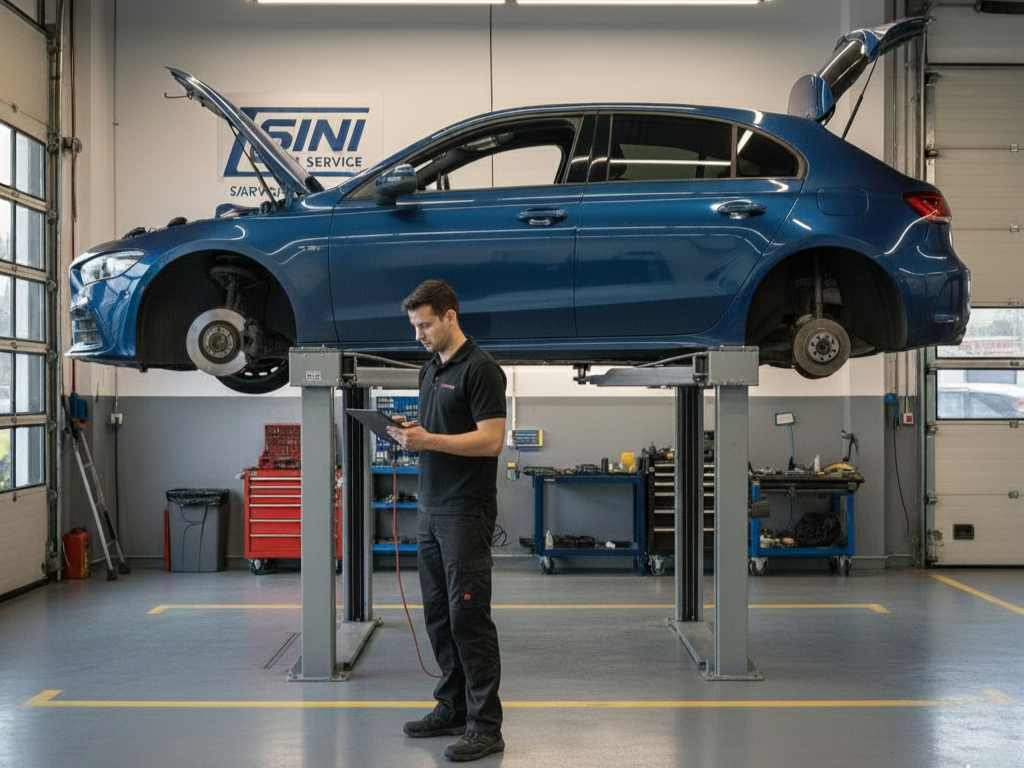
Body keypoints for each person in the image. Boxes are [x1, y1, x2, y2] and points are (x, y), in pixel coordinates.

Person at [387, 279, 507, 763]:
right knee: (438, 616)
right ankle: (452, 708)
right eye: (414, 326)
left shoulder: (481, 369)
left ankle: (486, 726)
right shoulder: (429, 370)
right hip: (431, 510)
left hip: (464, 512)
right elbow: (437, 433)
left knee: (468, 619)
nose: (418, 334)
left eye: (425, 325)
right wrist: (411, 435)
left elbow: (492, 440)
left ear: (450, 316)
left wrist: (429, 441)